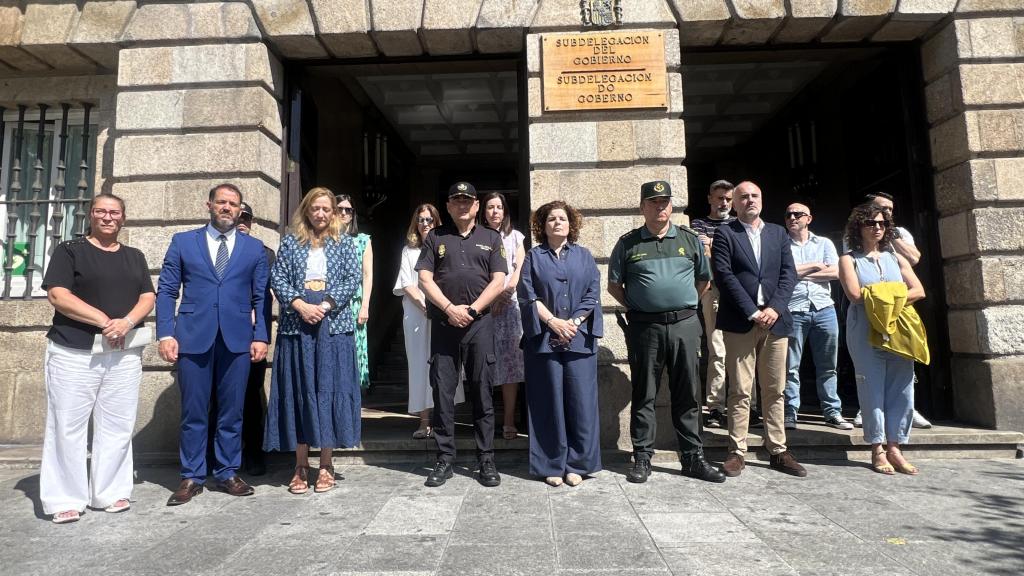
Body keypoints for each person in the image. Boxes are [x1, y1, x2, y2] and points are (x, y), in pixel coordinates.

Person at [40, 194, 155, 523]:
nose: (108, 217)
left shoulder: (134, 256)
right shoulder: (70, 251)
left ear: (123, 218)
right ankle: (65, 497)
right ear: (91, 215)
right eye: (101, 211)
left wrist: (127, 322)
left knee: (118, 425)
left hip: (122, 353)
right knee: (67, 426)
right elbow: (58, 295)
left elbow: (148, 295)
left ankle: (111, 491)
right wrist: (104, 321)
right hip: (74, 351)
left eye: (114, 212)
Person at [157, 183, 269, 506]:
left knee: (232, 411)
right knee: (194, 410)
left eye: (233, 204)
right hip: (193, 337)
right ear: (209, 205)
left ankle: (227, 471)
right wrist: (166, 333)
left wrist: (261, 335)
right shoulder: (183, 242)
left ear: (240, 210)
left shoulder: (254, 249)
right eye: (222, 202)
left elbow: (261, 297)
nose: (227, 208)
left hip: (237, 340)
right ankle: (192, 475)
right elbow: (166, 291)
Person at [608, 180, 725, 484]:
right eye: (653, 202)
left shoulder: (689, 239)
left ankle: (692, 458)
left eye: (665, 202)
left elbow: (704, 281)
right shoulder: (628, 243)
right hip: (644, 327)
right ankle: (643, 457)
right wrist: (642, 305)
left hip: (685, 324)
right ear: (642, 207)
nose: (660, 207)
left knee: (688, 393)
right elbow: (614, 286)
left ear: (671, 206)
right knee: (644, 392)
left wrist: (680, 306)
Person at [264, 188, 361, 494]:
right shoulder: (291, 242)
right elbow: (277, 277)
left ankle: (327, 464)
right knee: (300, 390)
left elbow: (352, 277)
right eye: (315, 208)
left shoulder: (344, 243)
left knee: (329, 390)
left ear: (333, 213)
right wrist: (298, 303)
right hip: (297, 324)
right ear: (306, 210)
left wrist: (326, 305)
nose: (320, 214)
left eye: (326, 209)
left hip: (333, 326)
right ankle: (300, 464)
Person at [416, 181, 507, 487]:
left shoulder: (492, 238)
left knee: (483, 392)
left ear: (477, 206)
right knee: (442, 393)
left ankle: (486, 459)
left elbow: (499, 281)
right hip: (444, 325)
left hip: (479, 325)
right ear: (449, 206)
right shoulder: (435, 238)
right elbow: (424, 279)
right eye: (457, 200)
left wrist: (471, 310)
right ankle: (444, 460)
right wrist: (449, 308)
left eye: (468, 201)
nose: (463, 205)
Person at [712, 181, 805, 477]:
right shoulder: (726, 233)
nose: (750, 200)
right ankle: (737, 451)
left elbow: (789, 274)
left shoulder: (778, 233)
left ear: (762, 200)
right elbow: (724, 275)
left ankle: (777, 449)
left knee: (775, 388)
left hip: (776, 322)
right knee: (740, 389)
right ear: (734, 204)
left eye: (755, 196)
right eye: (744, 197)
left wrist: (775, 308)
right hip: (741, 322)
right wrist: (752, 311)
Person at [518, 201, 603, 487]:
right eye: (551, 219)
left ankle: (578, 464)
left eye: (562, 218)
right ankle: (551, 464)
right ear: (542, 225)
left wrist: (574, 323)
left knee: (581, 403)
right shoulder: (533, 256)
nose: (557, 222)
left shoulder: (584, 256)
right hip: (544, 338)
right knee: (547, 401)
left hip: (579, 339)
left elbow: (592, 293)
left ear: (571, 224)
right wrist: (553, 321)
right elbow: (527, 294)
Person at [838, 203, 925, 475]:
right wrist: (895, 294)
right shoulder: (848, 259)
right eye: (871, 223)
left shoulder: (895, 257)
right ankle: (876, 447)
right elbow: (855, 294)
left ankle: (896, 447)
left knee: (902, 386)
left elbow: (919, 290)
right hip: (864, 329)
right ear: (858, 227)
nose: (877, 228)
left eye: (882, 224)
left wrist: (881, 297)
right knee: (871, 386)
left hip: (898, 329)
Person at [851, 192, 932, 430]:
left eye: (888, 212)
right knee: (869, 371)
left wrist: (890, 235)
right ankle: (867, 415)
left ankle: (908, 414)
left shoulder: (899, 234)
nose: (884, 217)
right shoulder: (857, 235)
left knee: (903, 371)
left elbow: (915, 260)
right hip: (867, 316)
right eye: (880, 210)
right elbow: (855, 287)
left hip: (899, 317)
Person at [783, 202, 852, 431]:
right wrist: (814, 267)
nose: (792, 218)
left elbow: (836, 272)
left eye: (798, 214)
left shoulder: (824, 243)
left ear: (809, 218)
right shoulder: (782, 244)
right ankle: (790, 411)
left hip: (824, 309)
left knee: (828, 365)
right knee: (790, 366)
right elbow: (784, 273)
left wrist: (800, 273)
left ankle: (832, 411)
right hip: (793, 309)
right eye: (788, 215)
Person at [689, 179, 735, 429]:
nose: (724, 203)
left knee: (744, 352)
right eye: (720, 198)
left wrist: (713, 245)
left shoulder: (740, 224)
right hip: (713, 290)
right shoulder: (698, 224)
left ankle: (746, 407)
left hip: (739, 294)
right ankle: (716, 407)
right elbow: (703, 255)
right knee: (717, 350)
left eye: (728, 199)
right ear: (710, 198)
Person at [393, 203, 441, 438]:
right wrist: (425, 305)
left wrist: (437, 306)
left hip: (442, 313)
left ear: (436, 222)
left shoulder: (445, 248)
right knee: (420, 365)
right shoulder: (408, 251)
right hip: (416, 314)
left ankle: (442, 419)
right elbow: (406, 283)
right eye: (421, 220)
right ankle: (424, 421)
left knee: (443, 365)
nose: (425, 224)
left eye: (429, 220)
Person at [481, 192, 526, 440]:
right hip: (484, 306)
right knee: (484, 365)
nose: (495, 211)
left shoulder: (516, 237)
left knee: (510, 366)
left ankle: (509, 420)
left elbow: (519, 268)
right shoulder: (478, 236)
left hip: (509, 308)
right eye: (490, 207)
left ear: (505, 211)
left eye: (499, 207)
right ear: (483, 211)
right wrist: (491, 298)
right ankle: (485, 421)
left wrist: (504, 295)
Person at [236, 202, 275, 476]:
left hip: (253, 335)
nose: (241, 221)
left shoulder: (265, 252)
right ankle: (222, 454)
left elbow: (269, 292)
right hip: (221, 332)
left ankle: (254, 452)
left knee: (252, 395)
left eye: (246, 217)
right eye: (238, 216)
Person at [337, 194, 373, 390]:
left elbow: (368, 275)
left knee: (354, 351)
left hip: (355, 303)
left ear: (353, 214)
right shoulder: (325, 240)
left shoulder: (362, 240)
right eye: (339, 208)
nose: (343, 212)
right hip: (330, 305)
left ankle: (352, 399)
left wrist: (365, 306)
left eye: (348, 209)